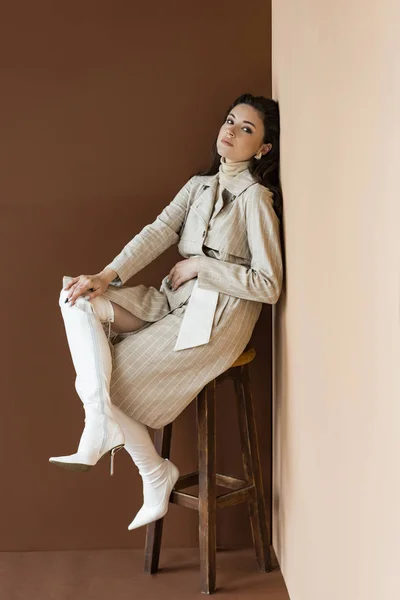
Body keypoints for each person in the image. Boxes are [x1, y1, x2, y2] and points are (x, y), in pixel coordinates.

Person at [49, 93, 283, 531]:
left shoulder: (256, 200)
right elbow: (159, 231)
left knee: (106, 374)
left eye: (246, 129)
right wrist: (105, 274)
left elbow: (268, 285)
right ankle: (122, 443)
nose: (230, 131)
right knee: (76, 299)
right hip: (173, 300)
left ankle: (149, 470)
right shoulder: (199, 185)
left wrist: (201, 264)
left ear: (264, 149)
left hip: (217, 318)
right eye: (230, 121)